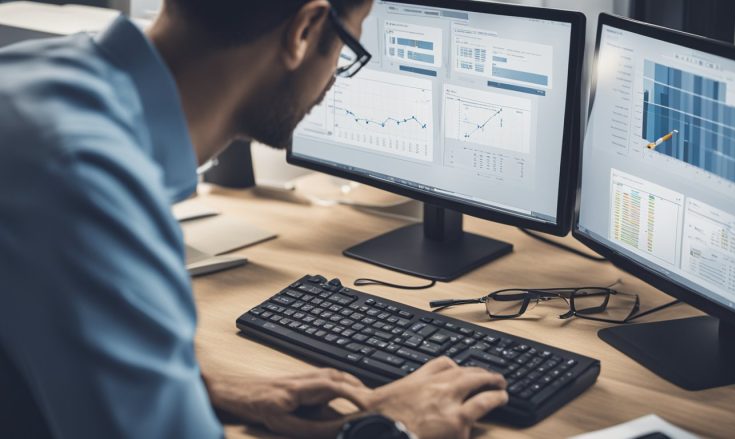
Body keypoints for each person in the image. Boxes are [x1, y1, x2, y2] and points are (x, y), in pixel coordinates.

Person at [0, 1, 510, 438]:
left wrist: (206, 390)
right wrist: (396, 427)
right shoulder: (92, 185)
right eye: (345, 50)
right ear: (305, 32)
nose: (334, 74)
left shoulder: (31, 76)